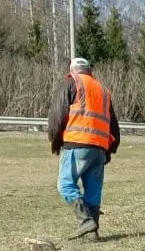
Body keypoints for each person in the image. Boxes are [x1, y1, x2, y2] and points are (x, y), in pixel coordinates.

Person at [48, 57, 121, 239]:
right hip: (99, 148)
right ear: (89, 70)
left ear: (72, 70)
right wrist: (110, 149)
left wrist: (55, 141)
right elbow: (113, 124)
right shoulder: (103, 90)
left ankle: (86, 221)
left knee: (65, 184)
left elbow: (57, 115)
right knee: (93, 189)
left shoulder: (71, 83)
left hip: (76, 142)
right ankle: (92, 233)